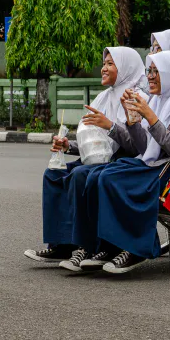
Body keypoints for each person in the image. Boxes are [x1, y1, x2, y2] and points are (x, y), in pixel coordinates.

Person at [77, 51, 170, 274]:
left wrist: (151, 117)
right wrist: (132, 122)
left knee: (110, 178)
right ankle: (108, 246)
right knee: (94, 175)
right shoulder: (158, 99)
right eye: (150, 71)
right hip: (150, 163)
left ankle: (135, 248)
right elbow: (143, 148)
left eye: (157, 71)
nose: (151, 77)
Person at [24, 47, 148, 269]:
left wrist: (110, 126)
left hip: (122, 161)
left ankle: (85, 245)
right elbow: (93, 141)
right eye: (104, 63)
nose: (104, 68)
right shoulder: (103, 97)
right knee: (54, 174)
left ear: (127, 68)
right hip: (99, 159)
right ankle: (62, 244)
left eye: (111, 64)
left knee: (80, 174)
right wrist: (68, 145)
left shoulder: (136, 99)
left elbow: (138, 147)